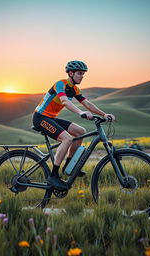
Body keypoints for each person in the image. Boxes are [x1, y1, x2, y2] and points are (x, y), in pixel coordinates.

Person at [32, 60, 115, 190]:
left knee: (80, 131)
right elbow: (64, 101)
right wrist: (80, 112)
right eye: (79, 73)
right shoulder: (60, 84)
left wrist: (104, 114)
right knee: (67, 138)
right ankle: (53, 176)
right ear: (71, 73)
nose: (82, 76)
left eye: (83, 74)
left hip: (52, 118)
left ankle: (68, 165)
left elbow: (88, 104)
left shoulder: (75, 89)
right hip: (40, 118)